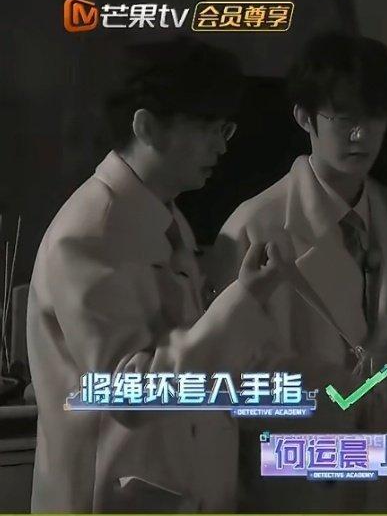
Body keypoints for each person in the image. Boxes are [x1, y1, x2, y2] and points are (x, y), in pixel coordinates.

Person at [26, 37, 291, 512]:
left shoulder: (163, 216)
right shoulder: (90, 232)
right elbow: (128, 397)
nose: (221, 146)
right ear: (146, 126)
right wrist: (243, 300)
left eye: (225, 128)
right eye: (207, 127)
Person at [207, 32, 387, 511]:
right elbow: (222, 378)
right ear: (304, 117)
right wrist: (336, 393)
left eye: (375, 117)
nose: (361, 135)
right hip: (295, 486)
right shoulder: (253, 227)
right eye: (344, 118)